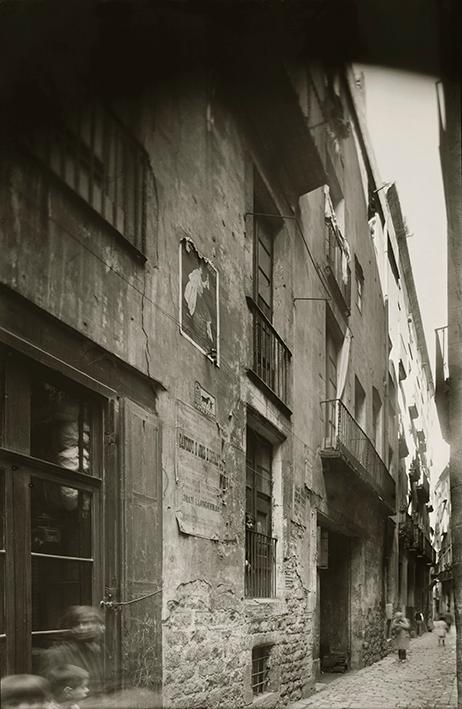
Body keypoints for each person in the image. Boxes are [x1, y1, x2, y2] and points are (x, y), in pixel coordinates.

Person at [41, 606, 105, 696]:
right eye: (83, 623)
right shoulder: (56, 654)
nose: (89, 627)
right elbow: (52, 692)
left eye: (94, 623)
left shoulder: (99, 651)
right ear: (71, 628)